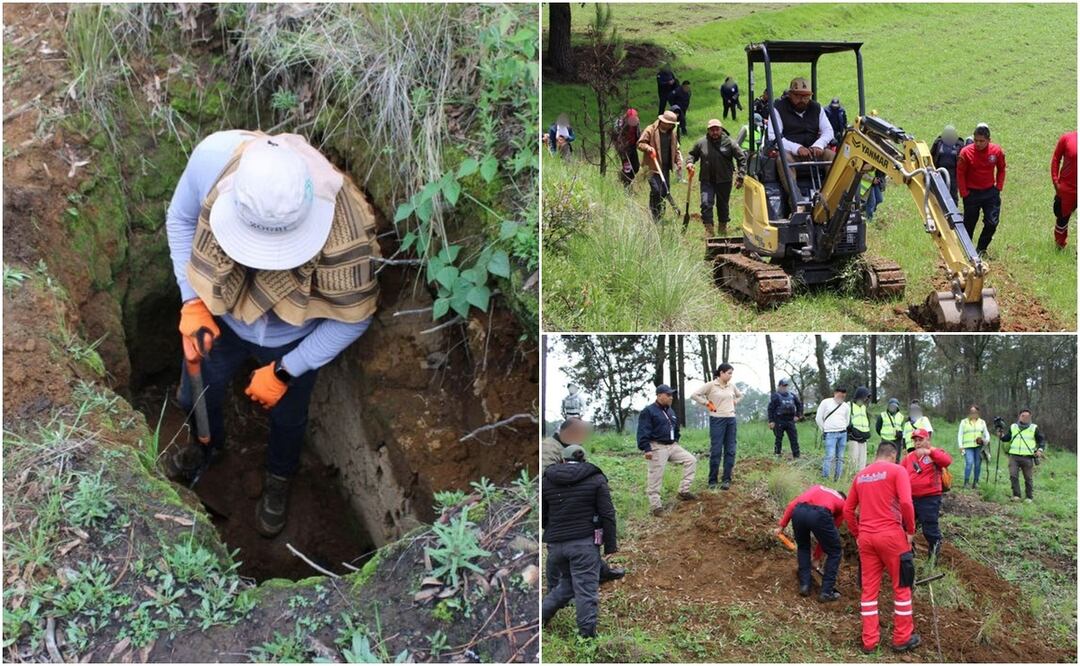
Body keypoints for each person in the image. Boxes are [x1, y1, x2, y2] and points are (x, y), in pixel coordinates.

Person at [165, 130, 379, 537]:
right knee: (196, 393)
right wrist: (191, 300)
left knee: (289, 417)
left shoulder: (346, 234)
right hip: (221, 316)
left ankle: (279, 477)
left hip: (295, 335)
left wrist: (287, 369)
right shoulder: (212, 160)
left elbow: (355, 317)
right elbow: (180, 218)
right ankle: (205, 447)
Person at [843, 442, 920, 654]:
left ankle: (869, 642)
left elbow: (848, 509)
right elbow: (906, 503)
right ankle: (902, 638)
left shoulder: (861, 476)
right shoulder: (897, 470)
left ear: (877, 455)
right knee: (902, 586)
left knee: (869, 591)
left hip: (867, 539)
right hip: (892, 536)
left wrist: (858, 534)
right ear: (893, 455)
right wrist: (910, 530)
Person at [541, 445, 618, 638]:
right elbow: (607, 513)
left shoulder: (546, 480)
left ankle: (539, 618)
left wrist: (552, 532)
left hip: (556, 545)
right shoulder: (596, 479)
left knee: (567, 584)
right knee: (586, 592)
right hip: (583, 545)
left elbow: (543, 515)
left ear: (562, 460)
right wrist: (610, 545)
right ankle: (587, 638)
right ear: (584, 460)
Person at [541, 424, 626, 585]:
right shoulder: (549, 448)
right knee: (567, 554)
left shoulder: (564, 450)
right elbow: (607, 513)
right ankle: (562, 584)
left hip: (562, 522)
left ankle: (598, 571)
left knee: (574, 552)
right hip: (564, 512)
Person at [776, 484, 846, 601]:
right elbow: (827, 536)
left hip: (799, 511)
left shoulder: (817, 487)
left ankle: (805, 585)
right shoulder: (843, 504)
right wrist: (817, 557)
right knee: (835, 552)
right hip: (820, 514)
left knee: (803, 547)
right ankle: (826, 592)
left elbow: (792, 505)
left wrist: (781, 526)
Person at [637, 384, 697, 515]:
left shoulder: (670, 411)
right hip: (657, 446)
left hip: (672, 446)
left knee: (691, 460)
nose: (671, 397)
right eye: (668, 395)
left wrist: (676, 439)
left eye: (671, 395)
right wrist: (647, 448)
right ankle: (656, 507)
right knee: (655, 476)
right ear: (659, 395)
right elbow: (643, 430)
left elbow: (675, 428)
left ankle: (683, 491)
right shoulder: (649, 411)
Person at [766, 77, 836, 189]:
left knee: (833, 156)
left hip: (813, 153)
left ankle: (832, 193)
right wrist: (797, 148)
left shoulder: (816, 108)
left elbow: (828, 130)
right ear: (790, 94)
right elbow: (774, 137)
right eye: (798, 96)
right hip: (791, 154)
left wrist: (818, 145)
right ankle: (794, 197)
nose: (802, 100)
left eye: (806, 96)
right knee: (783, 159)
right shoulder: (778, 109)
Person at [686, 119, 747, 236]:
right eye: (712, 130)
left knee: (722, 205)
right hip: (706, 180)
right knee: (706, 204)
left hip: (724, 180)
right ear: (708, 130)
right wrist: (689, 162)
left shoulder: (730, 143)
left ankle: (722, 228)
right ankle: (709, 230)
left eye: (717, 129)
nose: (714, 132)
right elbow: (692, 155)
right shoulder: (701, 143)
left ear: (721, 129)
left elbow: (742, 159)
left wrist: (740, 176)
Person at [900, 429, 952, 562]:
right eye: (915, 440)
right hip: (910, 498)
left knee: (929, 528)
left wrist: (930, 451)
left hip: (929, 498)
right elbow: (900, 473)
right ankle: (908, 552)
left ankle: (933, 558)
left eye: (920, 440)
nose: (917, 443)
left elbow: (947, 461)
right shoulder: (909, 457)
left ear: (927, 440)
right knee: (904, 525)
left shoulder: (935, 453)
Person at [691, 363, 743, 490]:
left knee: (730, 450)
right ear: (721, 373)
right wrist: (707, 403)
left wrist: (735, 401)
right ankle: (712, 480)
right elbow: (695, 395)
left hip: (731, 420)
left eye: (732, 373)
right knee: (716, 450)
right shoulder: (711, 385)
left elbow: (741, 395)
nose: (731, 376)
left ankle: (726, 479)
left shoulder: (731, 386)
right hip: (717, 419)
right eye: (729, 373)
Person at [957, 123, 1006, 254]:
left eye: (982, 141)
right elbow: (960, 174)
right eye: (976, 140)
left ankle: (981, 249)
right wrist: (964, 193)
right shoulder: (965, 152)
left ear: (989, 140)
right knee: (969, 224)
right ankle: (967, 252)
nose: (978, 144)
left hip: (990, 192)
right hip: (971, 194)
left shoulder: (996, 151)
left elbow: (1001, 169)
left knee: (992, 223)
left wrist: (998, 187)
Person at [637, 110, 683, 222]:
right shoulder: (651, 130)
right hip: (651, 167)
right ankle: (654, 215)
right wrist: (648, 148)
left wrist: (678, 161)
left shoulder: (672, 133)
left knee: (664, 191)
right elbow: (640, 143)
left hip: (665, 168)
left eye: (672, 124)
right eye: (670, 124)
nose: (671, 126)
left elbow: (676, 149)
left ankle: (660, 214)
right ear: (663, 122)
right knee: (656, 190)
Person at [997, 408, 1046, 502]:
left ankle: (1029, 497)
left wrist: (1040, 450)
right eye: (1023, 416)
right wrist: (1001, 435)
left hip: (1027, 457)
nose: (1025, 418)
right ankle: (1016, 495)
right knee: (1013, 475)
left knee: (1028, 478)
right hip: (1014, 456)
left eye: (1027, 416)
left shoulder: (1034, 428)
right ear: (1019, 416)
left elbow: (1041, 440)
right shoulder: (1013, 427)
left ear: (1030, 417)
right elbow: (1007, 438)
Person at [815, 387, 850, 482]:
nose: (841, 397)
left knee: (840, 457)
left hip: (842, 433)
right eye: (840, 394)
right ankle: (825, 477)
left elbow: (847, 420)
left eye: (843, 395)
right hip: (830, 433)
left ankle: (837, 478)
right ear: (835, 393)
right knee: (829, 456)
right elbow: (818, 418)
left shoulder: (846, 406)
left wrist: (842, 427)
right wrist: (824, 429)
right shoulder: (826, 402)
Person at [1051, 130, 1077, 247]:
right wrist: (1056, 181)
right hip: (1067, 190)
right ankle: (1060, 245)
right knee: (1062, 219)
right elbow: (1056, 158)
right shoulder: (1067, 138)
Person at [768, 378, 803, 459]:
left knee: (794, 438)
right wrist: (771, 421)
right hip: (779, 420)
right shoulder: (775, 396)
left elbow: (799, 405)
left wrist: (798, 415)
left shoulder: (792, 396)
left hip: (790, 420)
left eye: (786, 386)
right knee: (778, 438)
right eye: (783, 386)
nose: (784, 387)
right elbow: (770, 409)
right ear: (779, 386)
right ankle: (777, 454)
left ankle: (797, 456)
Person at [957, 405, 990, 489]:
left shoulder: (982, 422)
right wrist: (960, 446)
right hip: (967, 447)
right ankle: (966, 482)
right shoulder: (964, 422)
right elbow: (960, 434)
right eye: (971, 412)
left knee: (978, 464)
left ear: (978, 412)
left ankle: (976, 482)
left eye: (975, 412)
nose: (973, 413)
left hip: (978, 446)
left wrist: (986, 440)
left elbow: (986, 433)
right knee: (969, 463)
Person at [930, 125, 965, 203]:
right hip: (939, 172)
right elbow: (932, 154)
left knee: (952, 194)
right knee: (938, 192)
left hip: (953, 173)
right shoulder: (938, 143)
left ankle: (953, 208)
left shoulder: (959, 144)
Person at [612, 108, 642, 188]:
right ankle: (627, 186)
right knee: (627, 168)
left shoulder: (636, 122)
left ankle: (625, 177)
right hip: (623, 148)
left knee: (636, 167)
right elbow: (615, 137)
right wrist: (620, 147)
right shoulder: (619, 124)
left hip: (632, 146)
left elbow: (638, 134)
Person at [847, 387, 872, 473]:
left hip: (863, 436)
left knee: (862, 460)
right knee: (854, 458)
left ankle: (861, 475)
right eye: (865, 397)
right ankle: (852, 475)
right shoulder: (849, 406)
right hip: (853, 436)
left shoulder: (864, 408)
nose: (866, 400)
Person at [875, 398, 905, 462]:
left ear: (897, 407)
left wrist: (900, 434)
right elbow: (878, 428)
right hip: (885, 440)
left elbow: (903, 428)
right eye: (891, 406)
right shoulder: (882, 415)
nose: (892, 408)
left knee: (896, 458)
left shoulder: (901, 416)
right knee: (885, 457)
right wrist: (883, 434)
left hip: (897, 440)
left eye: (894, 406)